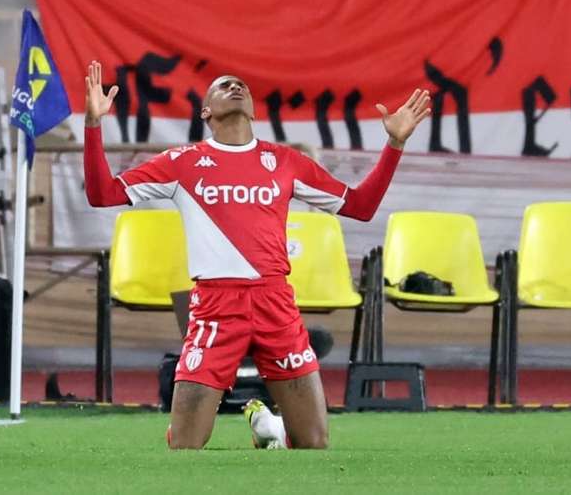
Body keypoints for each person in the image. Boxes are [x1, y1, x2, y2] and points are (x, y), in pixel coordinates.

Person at [83, 61, 430, 449]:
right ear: (205, 111)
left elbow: (360, 206)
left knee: (314, 444)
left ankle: (274, 430)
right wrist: (94, 125)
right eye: (223, 85)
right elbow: (102, 194)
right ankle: (260, 426)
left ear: (253, 110)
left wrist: (395, 144)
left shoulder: (285, 161)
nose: (235, 86)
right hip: (215, 307)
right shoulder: (182, 162)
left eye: (241, 85)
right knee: (184, 448)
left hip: (275, 304)